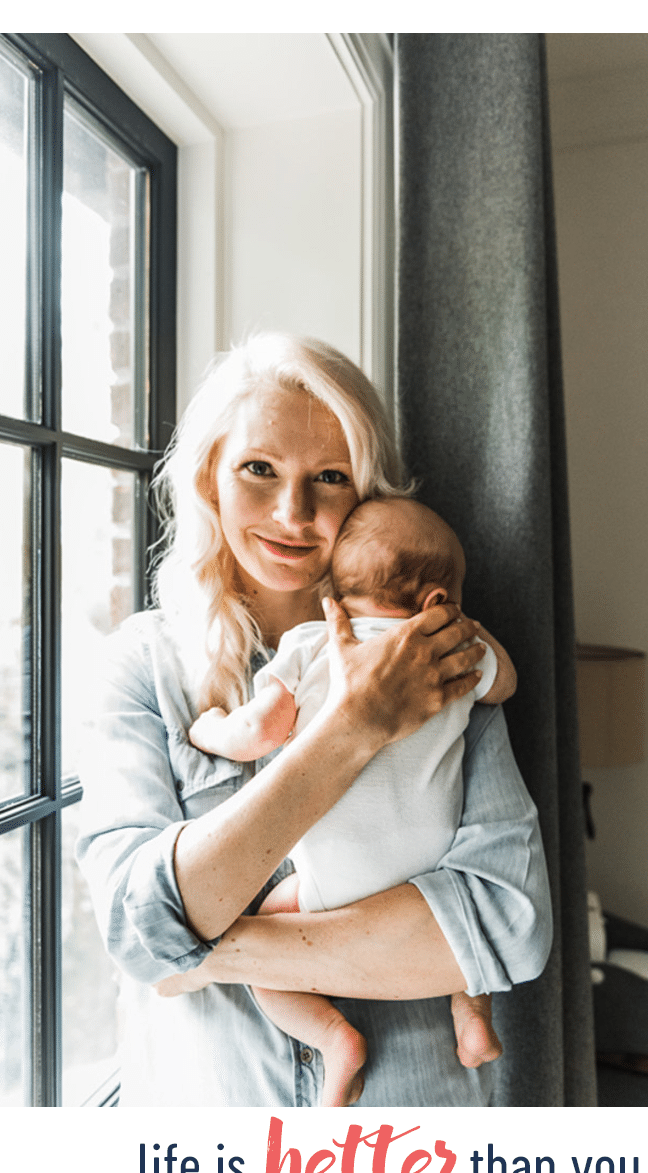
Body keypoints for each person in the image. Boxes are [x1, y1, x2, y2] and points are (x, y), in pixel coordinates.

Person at [76, 332, 552, 1107]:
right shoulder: (143, 668)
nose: (292, 514)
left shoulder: (431, 654)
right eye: (258, 470)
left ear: (368, 497)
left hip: (408, 1145)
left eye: (329, 478)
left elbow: (509, 927)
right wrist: (352, 728)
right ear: (209, 478)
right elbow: (139, 928)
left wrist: (208, 955)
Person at [185, 496, 509, 1105]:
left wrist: (208, 730)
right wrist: (467, 629)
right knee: (467, 937)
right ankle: (471, 1019)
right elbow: (507, 685)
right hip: (430, 868)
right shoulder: (455, 654)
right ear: (441, 600)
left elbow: (257, 733)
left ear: (335, 592)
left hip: (335, 876)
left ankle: (336, 1040)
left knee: (259, 949)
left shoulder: (311, 643)